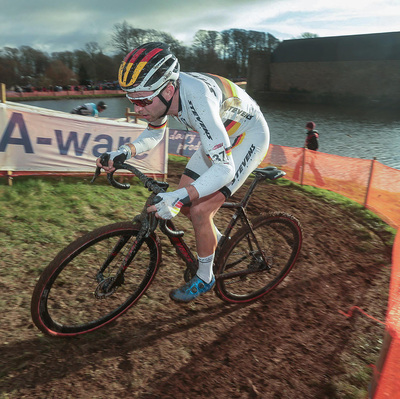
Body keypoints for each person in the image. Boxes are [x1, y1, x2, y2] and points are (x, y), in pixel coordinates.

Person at [96, 42, 270, 303]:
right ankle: (219, 241)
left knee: (198, 208)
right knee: (188, 206)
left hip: (248, 137)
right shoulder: (161, 92)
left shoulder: (197, 99)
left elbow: (225, 168)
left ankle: (205, 277)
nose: (138, 108)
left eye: (143, 101)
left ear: (168, 89)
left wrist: (177, 197)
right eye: (131, 100)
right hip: (219, 133)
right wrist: (125, 151)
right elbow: (155, 132)